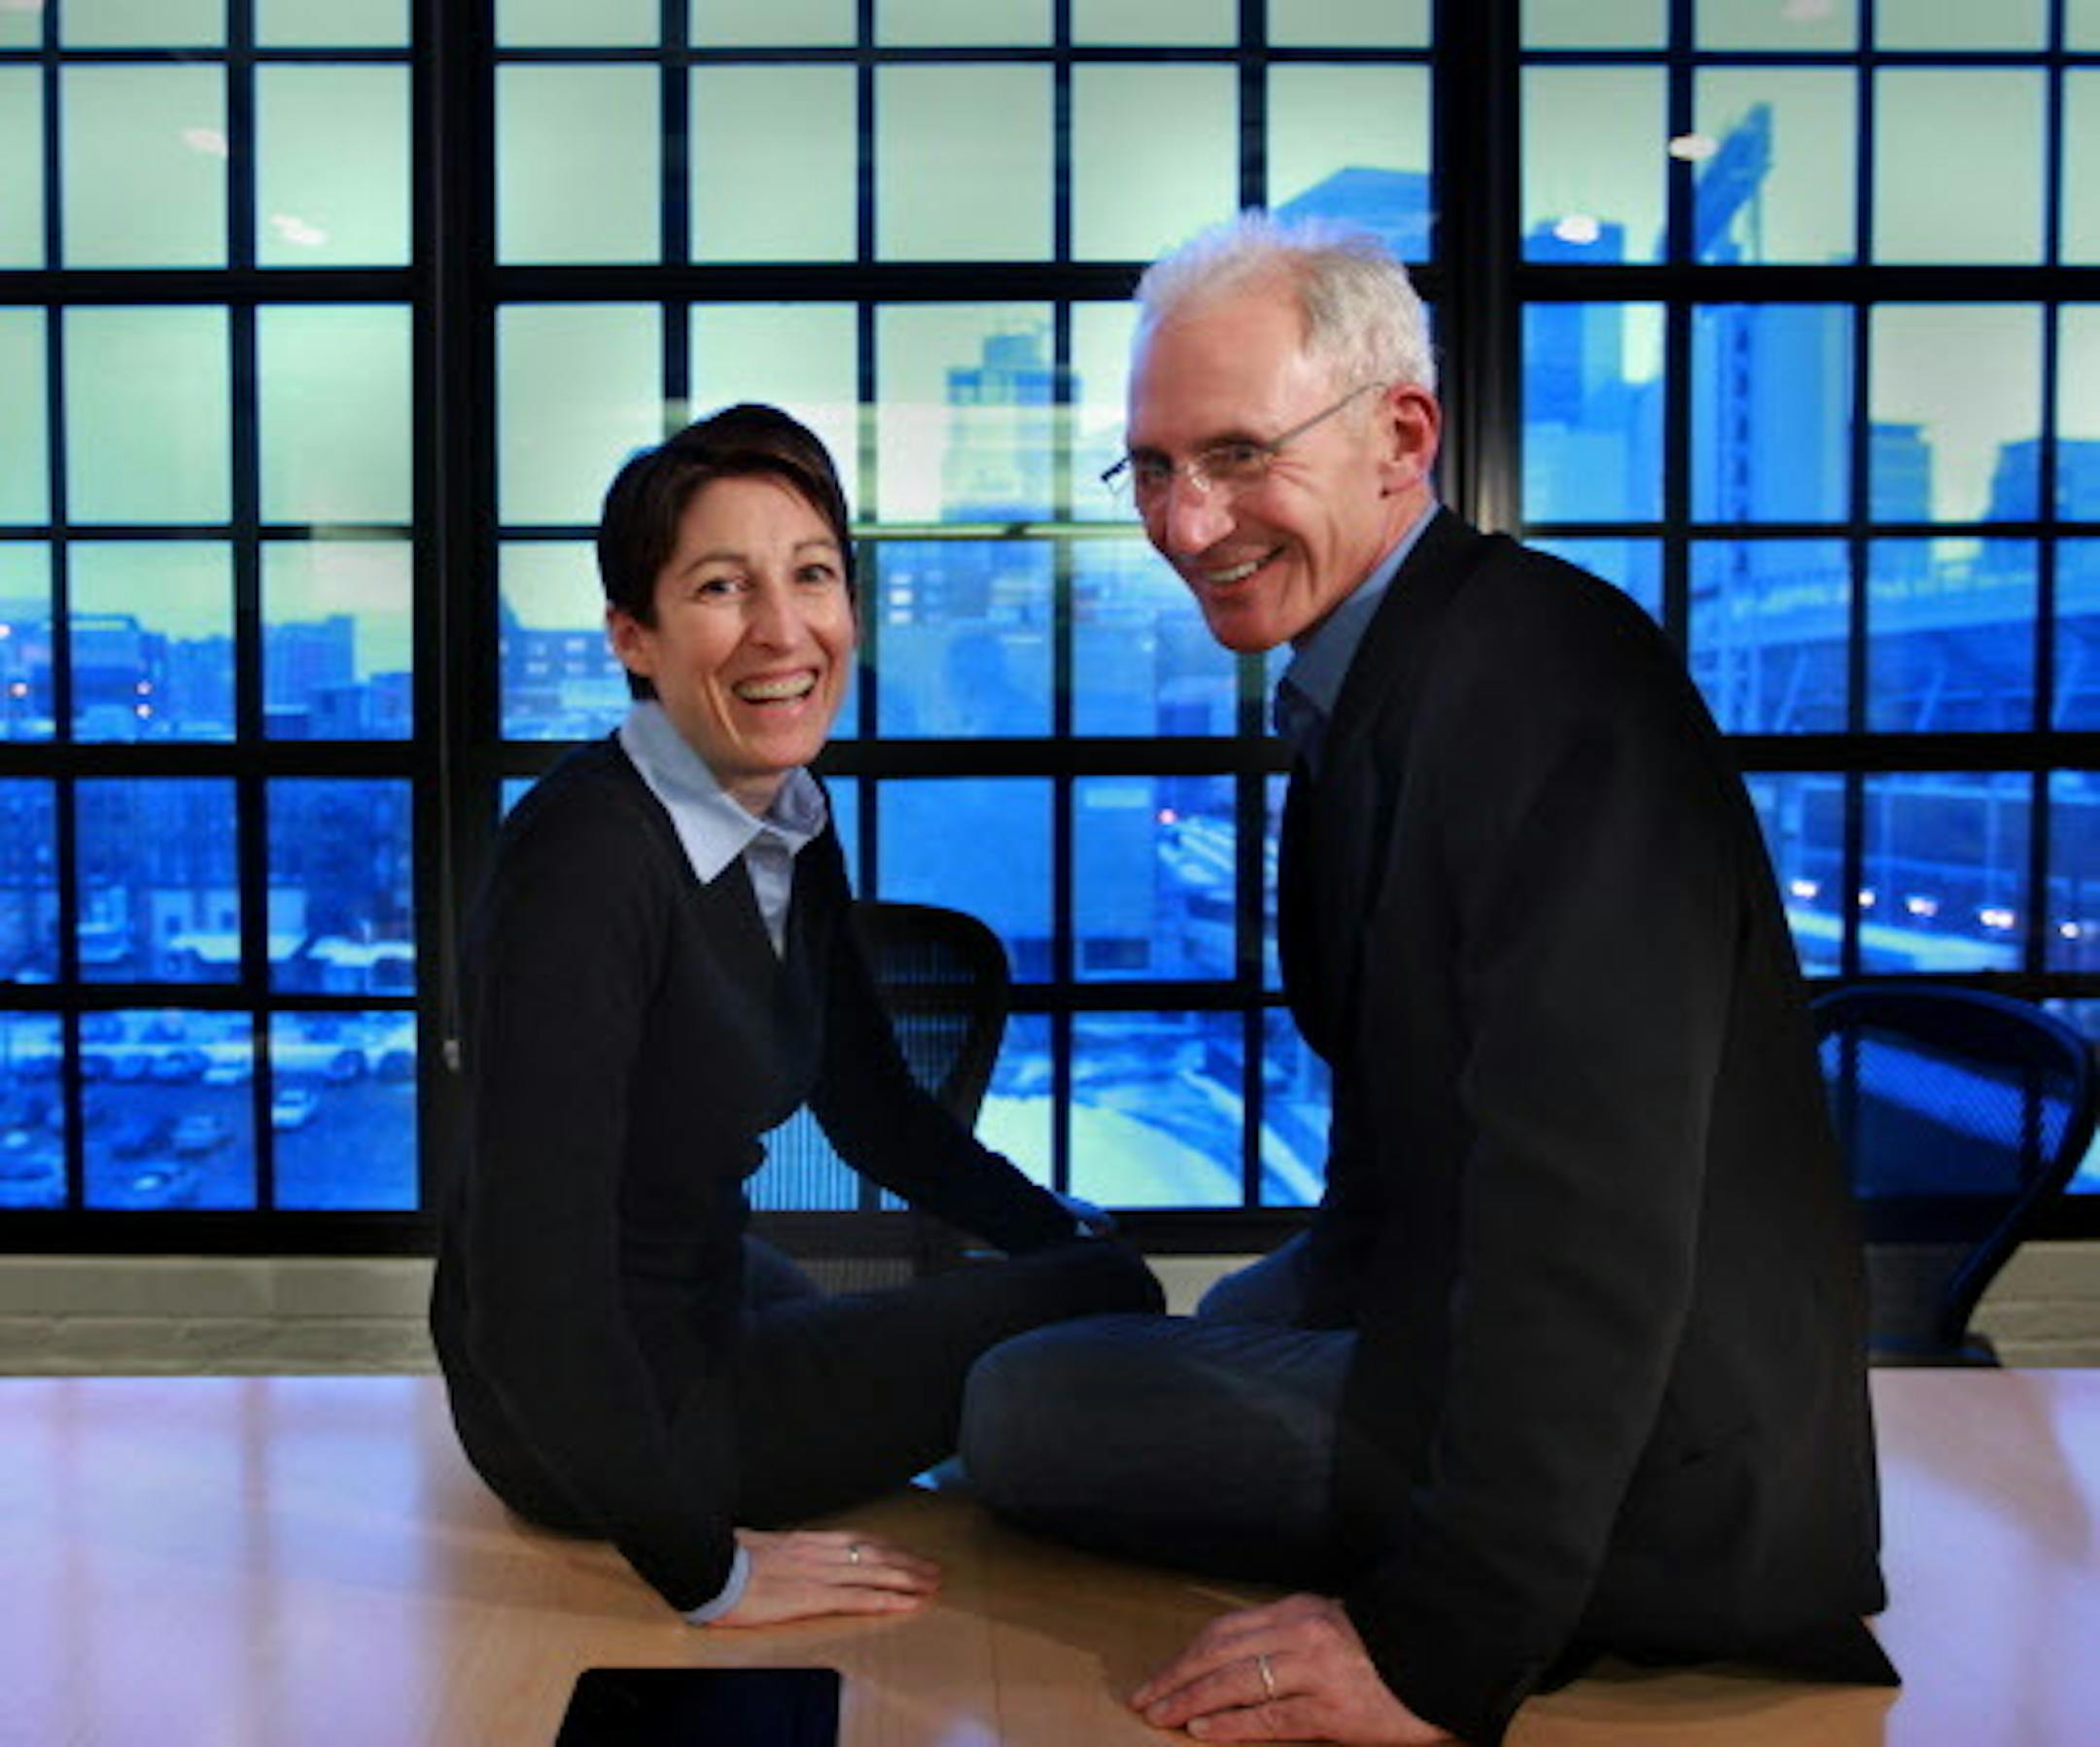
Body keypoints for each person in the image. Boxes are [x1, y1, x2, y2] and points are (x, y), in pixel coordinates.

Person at [961, 214, 1896, 1744]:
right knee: (1149, 1318)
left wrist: (1440, 1640)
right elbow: (1403, 1152)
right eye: (1150, 467)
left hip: (1656, 1463)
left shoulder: (1545, 688)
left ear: (1403, 434)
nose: (1187, 524)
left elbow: (1589, 1208)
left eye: (1240, 454)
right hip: (1466, 1316)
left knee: (1019, 1406)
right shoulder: (1391, 675)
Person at [431, 402, 1160, 1631]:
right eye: (722, 587)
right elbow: (531, 1288)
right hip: (601, 1414)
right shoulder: (588, 858)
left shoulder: (779, 811)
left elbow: (878, 1113)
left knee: (1081, 1276)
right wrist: (706, 1571)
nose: (784, 630)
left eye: (812, 575)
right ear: (635, 638)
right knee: (1127, 1300)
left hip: (693, 1305)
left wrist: (1055, 1241)